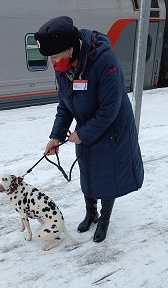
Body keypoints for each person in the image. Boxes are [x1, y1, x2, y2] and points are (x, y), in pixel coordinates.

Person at [34, 16, 144, 243]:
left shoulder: (105, 62)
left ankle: (104, 220)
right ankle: (91, 213)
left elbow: (108, 110)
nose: (53, 62)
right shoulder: (62, 66)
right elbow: (65, 104)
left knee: (107, 176)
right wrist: (56, 135)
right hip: (88, 128)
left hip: (112, 130)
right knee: (88, 173)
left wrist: (82, 134)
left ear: (71, 48)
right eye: (50, 58)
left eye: (55, 56)